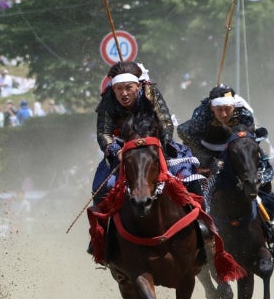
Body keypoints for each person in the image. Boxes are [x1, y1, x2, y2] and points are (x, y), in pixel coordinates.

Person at [91, 61, 201, 204]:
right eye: (119, 88)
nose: (124, 93)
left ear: (138, 86)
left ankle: (200, 220)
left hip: (156, 144)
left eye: (128, 87)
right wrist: (116, 151)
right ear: (113, 89)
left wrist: (161, 143)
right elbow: (103, 133)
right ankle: (104, 226)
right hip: (122, 149)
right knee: (102, 187)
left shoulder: (150, 93)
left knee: (188, 176)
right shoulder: (108, 100)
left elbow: (165, 122)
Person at [177, 85, 272, 184]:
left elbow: (247, 143)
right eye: (219, 109)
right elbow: (183, 132)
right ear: (212, 107)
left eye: (227, 109)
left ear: (234, 106)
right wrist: (209, 161)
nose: (224, 115)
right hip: (205, 151)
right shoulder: (202, 116)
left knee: (263, 180)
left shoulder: (244, 116)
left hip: (236, 151)